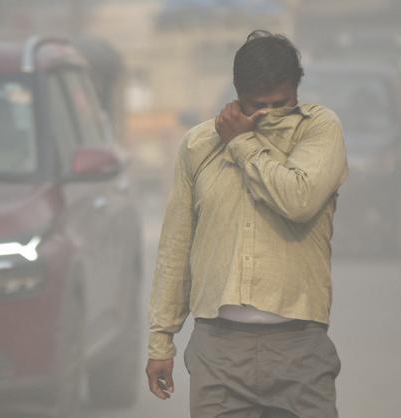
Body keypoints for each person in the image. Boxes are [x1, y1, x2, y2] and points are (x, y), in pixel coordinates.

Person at [145, 30, 347, 418]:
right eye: (258, 105)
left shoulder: (319, 129)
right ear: (238, 93)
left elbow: (298, 200)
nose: (268, 115)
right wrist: (160, 342)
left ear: (296, 92)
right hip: (219, 351)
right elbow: (176, 248)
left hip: (299, 348)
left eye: (281, 104)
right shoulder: (199, 145)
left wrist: (241, 142)